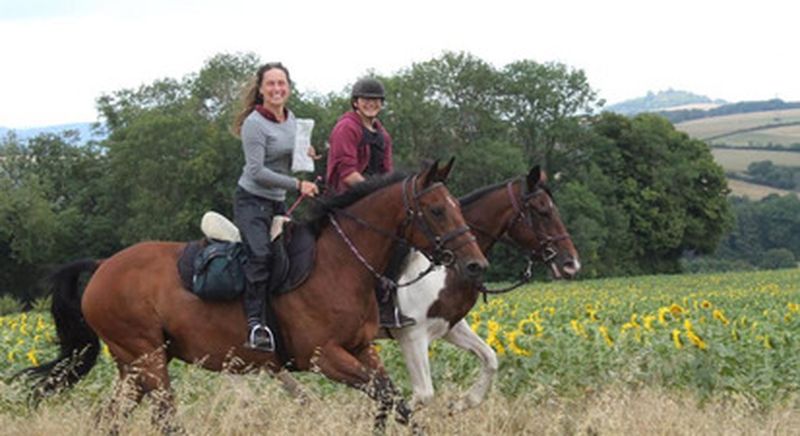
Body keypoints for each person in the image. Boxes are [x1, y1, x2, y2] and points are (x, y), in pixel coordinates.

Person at [232, 62, 319, 352]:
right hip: (252, 201)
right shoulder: (254, 124)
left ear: (289, 88)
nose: (276, 89)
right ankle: (255, 324)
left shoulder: (292, 119)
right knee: (261, 255)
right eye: (270, 84)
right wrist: (298, 184)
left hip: (277, 201)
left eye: (281, 83)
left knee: (296, 253)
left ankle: (287, 314)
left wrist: (306, 154)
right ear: (261, 89)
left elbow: (286, 158)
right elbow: (256, 171)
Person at [326, 78, 414, 328]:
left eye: (376, 100)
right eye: (366, 99)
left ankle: (387, 302)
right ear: (356, 102)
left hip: (373, 201)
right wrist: (379, 197)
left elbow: (387, 172)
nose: (371, 104)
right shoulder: (346, 128)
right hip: (347, 199)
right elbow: (348, 174)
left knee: (403, 239)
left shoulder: (382, 134)